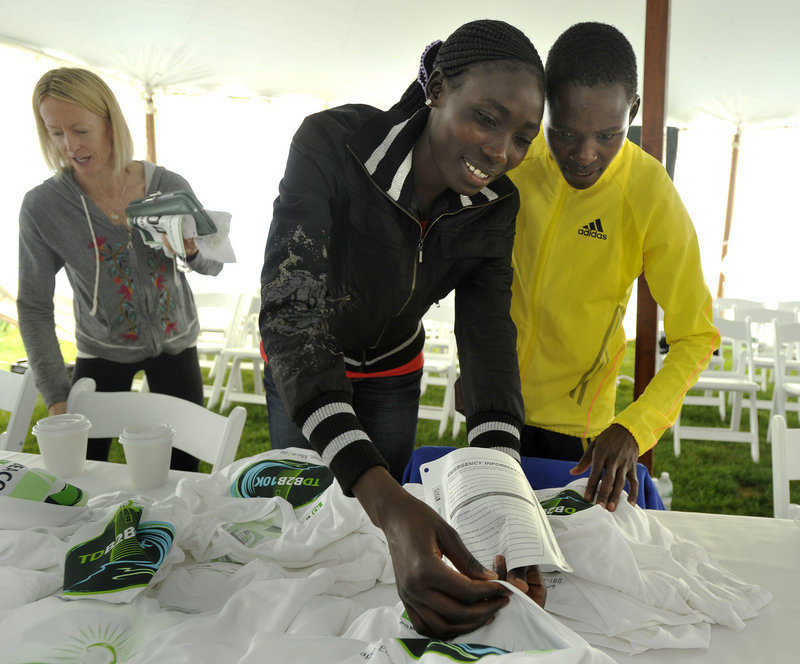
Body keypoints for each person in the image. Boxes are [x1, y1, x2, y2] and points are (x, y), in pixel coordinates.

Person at [260, 20, 545, 638]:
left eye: (524, 137)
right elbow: (291, 307)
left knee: (371, 552)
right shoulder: (331, 145)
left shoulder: (497, 206)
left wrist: (502, 511)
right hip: (307, 370)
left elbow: (489, 337)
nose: (501, 154)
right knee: (307, 529)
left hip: (393, 371)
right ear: (438, 87)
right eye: (487, 118)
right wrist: (388, 503)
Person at [509, 22, 719, 511]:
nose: (584, 156)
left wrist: (634, 426)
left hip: (579, 433)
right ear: (544, 108)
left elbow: (696, 337)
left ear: (636, 112)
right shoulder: (513, 160)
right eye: (563, 133)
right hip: (491, 408)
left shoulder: (648, 191)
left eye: (608, 135)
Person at [17, 67, 223, 472]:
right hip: (100, 352)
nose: (69, 145)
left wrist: (193, 249)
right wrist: (56, 393)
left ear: (110, 122)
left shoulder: (168, 185)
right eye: (55, 133)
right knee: (81, 474)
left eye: (80, 130)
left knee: (184, 475)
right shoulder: (43, 207)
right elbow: (34, 306)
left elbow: (213, 263)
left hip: (177, 347)